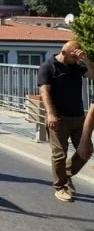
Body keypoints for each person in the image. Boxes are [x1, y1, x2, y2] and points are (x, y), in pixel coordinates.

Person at [37, 41, 94, 202]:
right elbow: (44, 91)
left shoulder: (76, 65)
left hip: (78, 117)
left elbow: (93, 75)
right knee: (59, 154)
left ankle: (65, 174)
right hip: (58, 117)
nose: (76, 59)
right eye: (73, 56)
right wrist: (50, 114)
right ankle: (60, 187)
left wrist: (86, 61)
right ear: (63, 52)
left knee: (86, 150)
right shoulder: (48, 67)